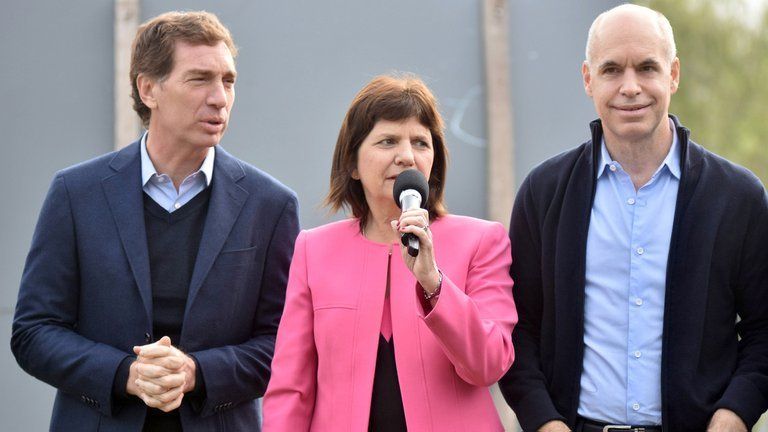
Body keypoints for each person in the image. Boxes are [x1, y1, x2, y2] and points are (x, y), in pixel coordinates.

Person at [11, 11, 299, 432]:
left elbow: (286, 345)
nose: (220, 97)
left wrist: (195, 372)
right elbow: (34, 332)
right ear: (149, 89)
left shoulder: (269, 205)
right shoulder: (76, 193)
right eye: (200, 79)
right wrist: (125, 374)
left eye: (228, 81)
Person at [498, 4, 768, 432]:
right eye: (611, 70)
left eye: (647, 67)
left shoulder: (739, 198)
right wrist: (544, 422)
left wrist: (733, 416)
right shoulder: (543, 193)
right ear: (588, 79)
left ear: (673, 74)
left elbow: (763, 332)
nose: (630, 87)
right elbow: (517, 330)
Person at [261, 75, 517, 431]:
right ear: (352, 163)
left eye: (420, 143)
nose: (407, 156)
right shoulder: (313, 250)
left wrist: (433, 283)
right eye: (387, 141)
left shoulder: (482, 241)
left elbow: (488, 364)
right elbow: (291, 387)